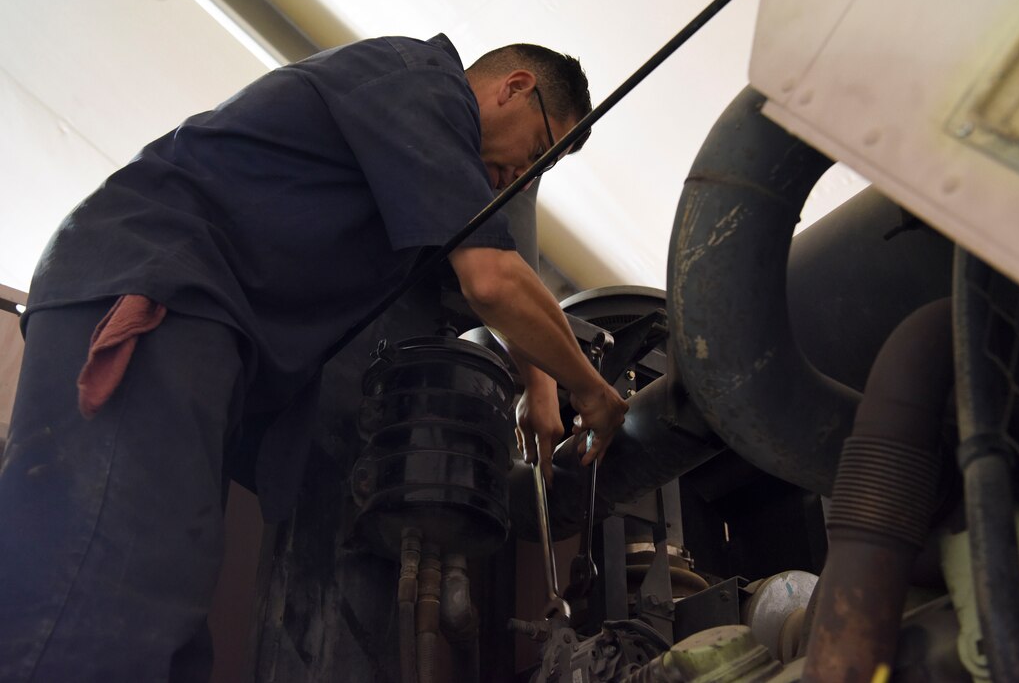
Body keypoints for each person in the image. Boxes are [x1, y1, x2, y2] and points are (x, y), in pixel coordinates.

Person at [0, 34, 628, 681]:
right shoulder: (422, 83)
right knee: (102, 589)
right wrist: (593, 392)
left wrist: (539, 382)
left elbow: (490, 281)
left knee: (167, 620)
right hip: (158, 294)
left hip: (205, 340)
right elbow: (493, 280)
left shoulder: (419, 168)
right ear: (514, 87)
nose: (520, 179)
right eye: (536, 155)